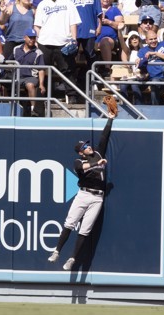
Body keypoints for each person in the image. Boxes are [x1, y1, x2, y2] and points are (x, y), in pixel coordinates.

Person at [48, 109, 117, 271]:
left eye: (88, 144)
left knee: (85, 230)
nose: (88, 147)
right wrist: (97, 164)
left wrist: (110, 119)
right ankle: (57, 251)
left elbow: (104, 137)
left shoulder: (99, 153)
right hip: (83, 194)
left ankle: (72, 258)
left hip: (98, 198)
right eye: (85, 146)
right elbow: (84, 167)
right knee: (70, 223)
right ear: (81, 151)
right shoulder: (78, 161)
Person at [34, 0, 82, 104]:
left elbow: (73, 22)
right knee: (42, 71)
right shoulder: (42, 4)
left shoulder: (68, 3)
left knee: (68, 70)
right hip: (44, 42)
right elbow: (37, 25)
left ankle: (72, 96)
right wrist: (38, 39)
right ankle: (41, 98)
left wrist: (74, 39)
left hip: (64, 42)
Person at [135, 30, 164, 104]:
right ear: (146, 41)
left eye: (155, 38)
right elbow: (141, 65)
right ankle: (155, 107)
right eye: (151, 39)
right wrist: (138, 60)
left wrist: (156, 53)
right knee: (154, 82)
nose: (153, 41)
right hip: (157, 78)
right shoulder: (142, 51)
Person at [10, 28, 46, 117]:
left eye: (34, 38)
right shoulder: (16, 49)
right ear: (25, 37)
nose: (32, 40)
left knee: (30, 85)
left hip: (30, 77)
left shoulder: (38, 52)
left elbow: (41, 69)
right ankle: (9, 107)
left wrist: (41, 84)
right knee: (6, 82)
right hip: (17, 76)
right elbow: (9, 61)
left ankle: (33, 109)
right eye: (30, 37)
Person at [97, 0, 123, 76]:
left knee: (105, 41)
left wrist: (109, 22)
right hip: (95, 39)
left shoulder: (115, 10)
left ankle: (107, 68)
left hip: (110, 39)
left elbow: (120, 24)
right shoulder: (95, 9)